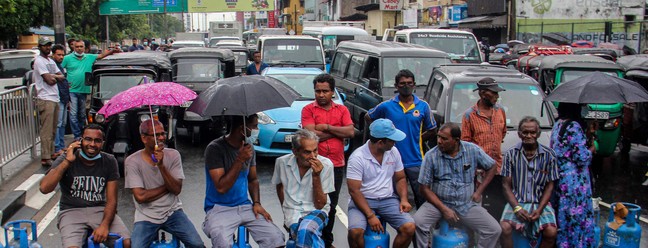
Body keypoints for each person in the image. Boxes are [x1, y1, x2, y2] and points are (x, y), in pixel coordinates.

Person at [39, 124, 131, 248]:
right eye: (88, 139)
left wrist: (104, 225)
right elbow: (44, 188)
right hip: (71, 211)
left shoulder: (109, 161)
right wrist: (67, 161)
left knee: (126, 242)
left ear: (102, 143)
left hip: (99, 209)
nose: (92, 144)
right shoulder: (66, 157)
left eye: (97, 141)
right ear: (80, 140)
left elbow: (112, 200)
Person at [414, 123, 501, 248]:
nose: (439, 141)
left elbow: (492, 166)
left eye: (444, 139)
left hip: (466, 204)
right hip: (439, 203)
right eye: (438, 137)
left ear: (456, 141)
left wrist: (479, 191)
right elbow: (424, 188)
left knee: (493, 229)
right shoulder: (431, 155)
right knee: (417, 222)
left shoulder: (472, 150)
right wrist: (444, 209)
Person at [202, 114, 285, 247]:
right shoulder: (215, 149)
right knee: (221, 240)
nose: (257, 130)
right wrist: (240, 160)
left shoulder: (249, 147)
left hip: (245, 206)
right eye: (255, 126)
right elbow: (221, 187)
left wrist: (257, 203)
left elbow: (253, 180)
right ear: (242, 129)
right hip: (219, 208)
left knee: (275, 237)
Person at [124, 120, 204, 248]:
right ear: (144, 138)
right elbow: (140, 197)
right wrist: (168, 187)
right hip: (146, 216)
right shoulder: (132, 161)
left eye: (163, 133)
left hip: (172, 212)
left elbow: (177, 189)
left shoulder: (173, 155)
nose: (161, 138)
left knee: (197, 244)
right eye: (156, 135)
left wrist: (161, 166)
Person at [366, 69, 437, 208]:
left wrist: (418, 138)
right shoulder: (386, 106)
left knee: (422, 201)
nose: (406, 86)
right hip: (391, 160)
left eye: (409, 83)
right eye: (402, 83)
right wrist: (380, 135)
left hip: (416, 160)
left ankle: (421, 228)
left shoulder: (423, 106)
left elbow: (433, 129)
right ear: (396, 86)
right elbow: (368, 117)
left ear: (414, 85)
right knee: (393, 200)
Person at [301, 73, 354, 247]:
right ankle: (309, 236)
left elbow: (350, 132)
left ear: (333, 92)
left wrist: (326, 128)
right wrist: (337, 131)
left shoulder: (342, 110)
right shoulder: (308, 110)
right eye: (318, 91)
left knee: (331, 205)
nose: (321, 94)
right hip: (313, 164)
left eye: (325, 91)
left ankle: (326, 240)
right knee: (311, 202)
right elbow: (310, 136)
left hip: (337, 165)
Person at [346, 118, 415, 248]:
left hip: (387, 199)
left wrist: (404, 199)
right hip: (363, 200)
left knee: (409, 227)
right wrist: (370, 215)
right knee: (355, 232)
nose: (394, 143)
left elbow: (400, 178)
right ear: (380, 142)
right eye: (392, 140)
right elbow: (354, 190)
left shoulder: (393, 152)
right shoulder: (357, 157)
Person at [500, 117, 559, 248]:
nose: (528, 136)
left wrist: (539, 209)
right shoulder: (510, 154)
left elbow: (550, 185)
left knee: (551, 232)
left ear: (538, 134)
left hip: (540, 202)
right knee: (504, 228)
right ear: (519, 134)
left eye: (532, 132)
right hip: (517, 200)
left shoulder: (550, 155)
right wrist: (517, 208)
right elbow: (505, 185)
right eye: (525, 133)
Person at [272, 129, 335, 247]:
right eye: (307, 152)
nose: (313, 156)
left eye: (315, 150)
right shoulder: (281, 162)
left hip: (317, 212)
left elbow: (320, 204)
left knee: (306, 231)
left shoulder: (326, 165)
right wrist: (285, 211)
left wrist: (316, 176)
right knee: (305, 234)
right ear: (295, 151)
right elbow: (279, 186)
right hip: (293, 214)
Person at [550, 103, 596, 247]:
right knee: (576, 217)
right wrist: (592, 149)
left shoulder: (558, 124)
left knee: (564, 216)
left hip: (562, 178)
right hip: (575, 181)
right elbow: (582, 158)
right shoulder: (574, 126)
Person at [461, 77, 508, 221]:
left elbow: (503, 132)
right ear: (482, 94)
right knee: (478, 207)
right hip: (479, 171)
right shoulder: (469, 115)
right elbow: (465, 144)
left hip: (498, 168)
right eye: (493, 93)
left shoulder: (500, 111)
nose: (497, 96)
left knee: (497, 206)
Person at [62, 39, 117, 141]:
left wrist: (113, 51)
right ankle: (77, 135)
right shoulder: (67, 58)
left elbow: (101, 56)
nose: (79, 49)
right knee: (73, 114)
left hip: (84, 90)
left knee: (82, 114)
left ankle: (83, 133)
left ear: (84, 48)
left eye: (81, 47)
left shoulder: (89, 57)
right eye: (77, 47)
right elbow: (59, 69)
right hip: (72, 90)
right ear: (74, 47)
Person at [33, 37, 65, 166]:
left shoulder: (50, 61)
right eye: (45, 45)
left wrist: (55, 76)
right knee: (46, 130)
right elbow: (49, 80)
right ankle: (45, 157)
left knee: (53, 129)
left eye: (49, 45)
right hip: (45, 98)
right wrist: (55, 77)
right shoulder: (39, 61)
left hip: (54, 97)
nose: (47, 47)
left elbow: (61, 75)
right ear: (40, 46)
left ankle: (51, 152)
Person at [51, 44, 71, 158]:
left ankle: (62, 145)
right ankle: (57, 147)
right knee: (58, 124)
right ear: (53, 55)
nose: (61, 57)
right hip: (57, 97)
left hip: (64, 97)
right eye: (59, 55)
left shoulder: (61, 66)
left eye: (63, 55)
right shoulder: (53, 66)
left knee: (63, 123)